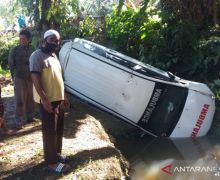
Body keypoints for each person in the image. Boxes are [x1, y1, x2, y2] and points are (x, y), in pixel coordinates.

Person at [29, 29, 70, 173]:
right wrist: (44, 100)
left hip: (58, 99)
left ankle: (56, 154)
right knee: (49, 131)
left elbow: (58, 78)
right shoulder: (37, 56)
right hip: (47, 101)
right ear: (44, 40)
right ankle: (51, 163)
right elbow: (35, 79)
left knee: (58, 129)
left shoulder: (54, 56)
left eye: (57, 41)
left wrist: (64, 95)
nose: (55, 43)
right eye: (52, 40)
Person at [8, 30, 36, 128]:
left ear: (28, 39)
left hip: (31, 77)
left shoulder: (33, 49)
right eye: (20, 38)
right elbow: (11, 64)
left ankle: (29, 116)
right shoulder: (15, 50)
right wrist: (13, 77)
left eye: (23, 39)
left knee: (30, 97)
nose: (21, 40)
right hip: (19, 76)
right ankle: (20, 119)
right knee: (20, 99)